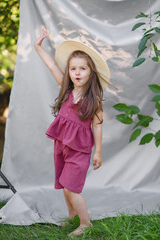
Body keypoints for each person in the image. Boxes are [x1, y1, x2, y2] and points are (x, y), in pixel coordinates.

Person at [34, 28, 110, 237]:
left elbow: (98, 125)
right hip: (62, 145)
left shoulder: (94, 100)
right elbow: (51, 65)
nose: (77, 73)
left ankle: (86, 223)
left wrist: (98, 152)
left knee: (71, 188)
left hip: (81, 150)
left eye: (82, 69)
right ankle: (71, 215)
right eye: (73, 69)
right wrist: (37, 46)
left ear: (91, 72)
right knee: (63, 182)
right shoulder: (67, 90)